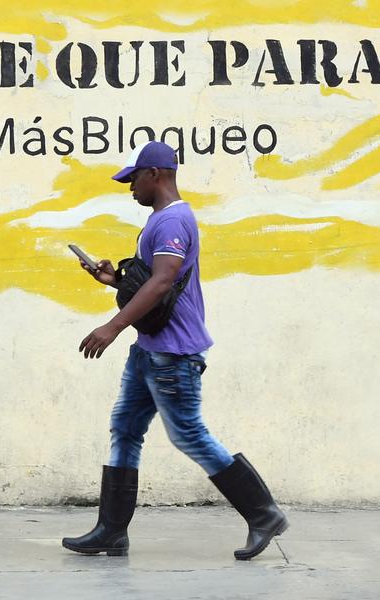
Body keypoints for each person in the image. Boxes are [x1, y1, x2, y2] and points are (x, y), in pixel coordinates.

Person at [61, 141, 288, 560]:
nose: (129, 187)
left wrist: (113, 325)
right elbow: (158, 282)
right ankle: (111, 531)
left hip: (173, 354)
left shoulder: (172, 222)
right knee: (125, 429)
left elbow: (163, 281)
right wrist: (114, 282)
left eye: (133, 179)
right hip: (149, 349)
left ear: (156, 174)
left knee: (190, 435)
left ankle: (263, 514)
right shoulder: (161, 220)